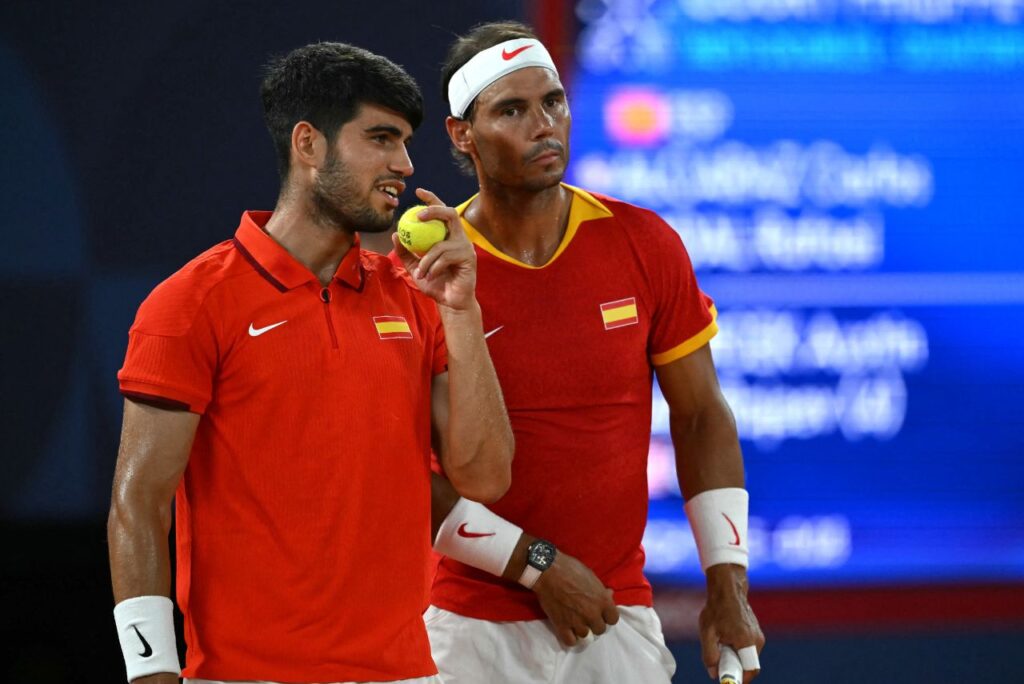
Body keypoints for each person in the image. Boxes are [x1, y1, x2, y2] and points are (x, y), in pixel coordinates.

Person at [107, 42, 514, 684]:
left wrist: (462, 312)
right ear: (308, 144)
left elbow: (485, 478)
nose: (404, 165)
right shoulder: (189, 304)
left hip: (405, 673)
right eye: (381, 138)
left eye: (406, 142)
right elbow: (139, 502)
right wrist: (151, 673)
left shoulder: (418, 301)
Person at [419, 21, 765, 684]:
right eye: (512, 110)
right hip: (468, 628)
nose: (543, 125)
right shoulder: (427, 271)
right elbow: (403, 472)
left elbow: (700, 417)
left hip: (615, 618)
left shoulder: (644, 243)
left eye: (553, 102)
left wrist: (728, 584)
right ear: (462, 135)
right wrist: (535, 564)